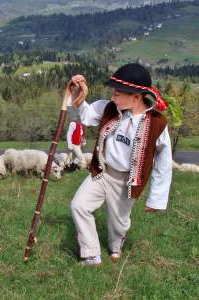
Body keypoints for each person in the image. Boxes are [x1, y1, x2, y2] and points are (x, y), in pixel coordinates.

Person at [67, 63, 172, 266]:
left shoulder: (156, 123)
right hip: (102, 172)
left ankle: (116, 245)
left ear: (136, 96)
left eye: (117, 93)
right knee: (78, 205)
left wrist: (156, 199)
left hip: (126, 182)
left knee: (118, 224)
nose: (113, 97)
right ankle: (91, 255)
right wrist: (79, 95)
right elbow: (88, 115)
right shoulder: (109, 108)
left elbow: (164, 162)